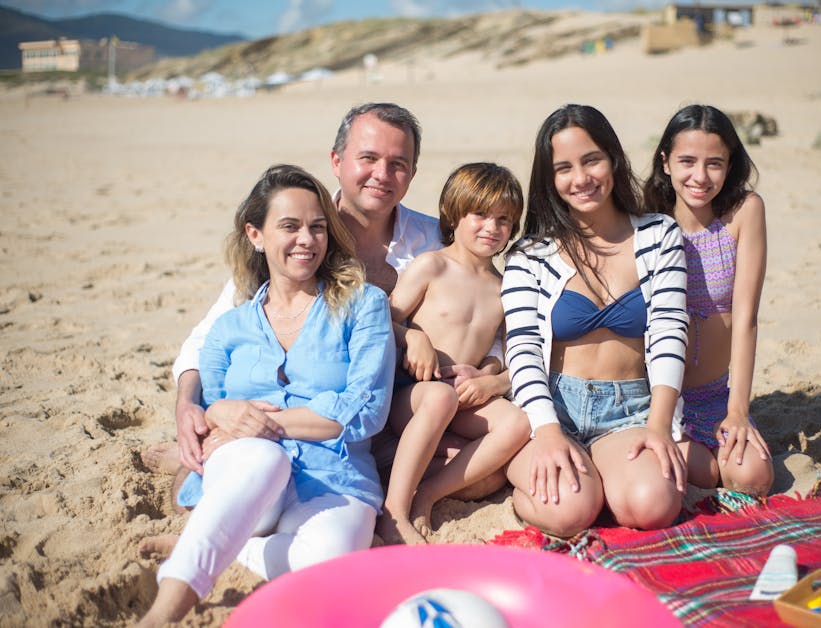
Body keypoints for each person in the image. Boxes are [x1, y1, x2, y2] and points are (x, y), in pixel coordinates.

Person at [138, 164, 396, 626]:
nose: (307, 240)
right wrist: (218, 410)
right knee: (262, 457)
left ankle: (218, 543)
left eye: (318, 227)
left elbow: (365, 410)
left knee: (326, 563)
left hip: (336, 481)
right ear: (255, 234)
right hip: (246, 480)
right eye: (290, 226)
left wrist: (257, 422)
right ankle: (165, 610)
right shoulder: (229, 327)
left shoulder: (364, 305)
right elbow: (211, 416)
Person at [162, 103, 439, 482]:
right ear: (336, 160)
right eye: (368, 158)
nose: (382, 174)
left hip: (389, 406)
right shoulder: (294, 240)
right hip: (312, 416)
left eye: (398, 163)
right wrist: (187, 406)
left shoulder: (434, 241)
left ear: (412, 173)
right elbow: (210, 335)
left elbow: (477, 302)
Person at [500, 104, 689, 537]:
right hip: (552, 407)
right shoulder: (530, 256)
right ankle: (522, 482)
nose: (580, 178)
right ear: (549, 179)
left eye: (591, 160)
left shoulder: (659, 234)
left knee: (652, 507)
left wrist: (659, 426)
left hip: (631, 409)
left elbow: (668, 329)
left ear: (614, 159)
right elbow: (523, 347)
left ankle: (599, 477)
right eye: (563, 168)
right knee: (569, 513)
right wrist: (546, 432)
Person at [378, 162, 531, 545]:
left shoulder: (504, 287)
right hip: (411, 394)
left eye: (504, 220)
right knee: (439, 396)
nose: (492, 228)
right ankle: (394, 511)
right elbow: (381, 323)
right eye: (480, 214)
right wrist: (415, 339)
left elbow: (515, 356)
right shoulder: (432, 266)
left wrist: (492, 379)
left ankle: (427, 494)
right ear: (454, 213)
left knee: (514, 430)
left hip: (461, 399)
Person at [643, 104, 773, 495]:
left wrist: (738, 411)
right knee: (704, 473)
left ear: (730, 165)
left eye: (714, 163)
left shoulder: (744, 212)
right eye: (687, 161)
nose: (700, 177)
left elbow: (746, 319)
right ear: (665, 162)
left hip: (718, 396)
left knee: (753, 477)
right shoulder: (647, 217)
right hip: (660, 398)